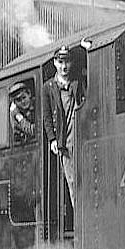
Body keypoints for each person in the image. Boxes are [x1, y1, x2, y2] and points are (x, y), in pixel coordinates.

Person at [41, 45, 85, 208]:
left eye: (67, 62)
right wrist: (52, 139)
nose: (64, 66)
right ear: (54, 63)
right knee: (72, 182)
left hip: (80, 134)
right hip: (64, 140)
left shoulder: (77, 81)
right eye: (60, 62)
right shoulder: (48, 87)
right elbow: (46, 116)